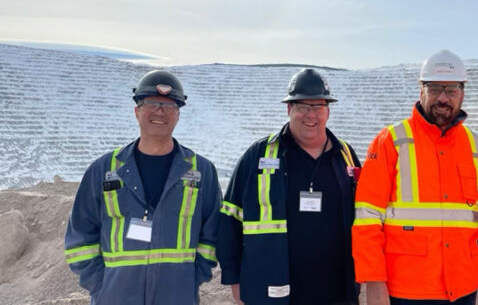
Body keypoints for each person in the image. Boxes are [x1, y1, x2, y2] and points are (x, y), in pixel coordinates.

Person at [64, 70, 223, 304]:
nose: (160, 111)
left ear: (178, 115)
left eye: (169, 106)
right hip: (115, 297)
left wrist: (191, 279)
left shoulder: (202, 172)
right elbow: (80, 235)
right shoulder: (103, 170)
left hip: (176, 297)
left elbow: (212, 235)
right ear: (137, 111)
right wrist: (100, 285)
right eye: (152, 103)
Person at [352, 50, 478, 304]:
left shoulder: (476, 148)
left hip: (463, 287)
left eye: (451, 90)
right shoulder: (391, 141)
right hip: (407, 289)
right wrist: (374, 281)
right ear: (421, 90)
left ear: (462, 93)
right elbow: (367, 218)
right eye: (435, 88)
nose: (443, 98)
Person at [217, 68, 361, 305]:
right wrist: (234, 279)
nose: (311, 115)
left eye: (318, 107)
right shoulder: (258, 156)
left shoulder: (344, 155)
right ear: (289, 109)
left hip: (337, 292)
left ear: (328, 111)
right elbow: (230, 217)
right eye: (303, 106)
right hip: (273, 290)